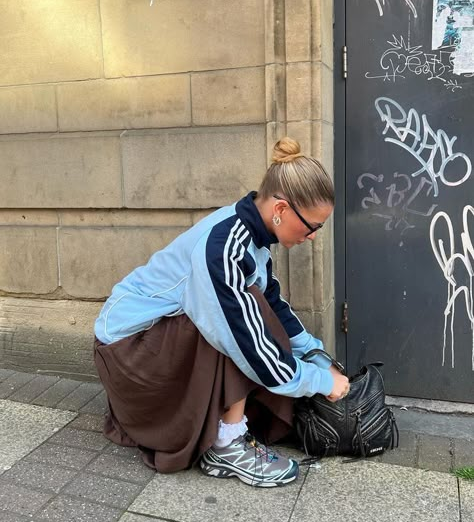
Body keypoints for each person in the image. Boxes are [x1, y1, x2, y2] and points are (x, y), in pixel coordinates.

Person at [94, 137, 350, 488]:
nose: (312, 237)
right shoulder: (223, 248)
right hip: (128, 354)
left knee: (252, 304)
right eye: (312, 226)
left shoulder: (250, 238)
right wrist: (320, 382)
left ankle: (230, 425)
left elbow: (275, 307)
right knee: (236, 318)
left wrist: (317, 355)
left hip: (153, 343)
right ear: (282, 209)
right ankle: (227, 445)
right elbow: (244, 340)